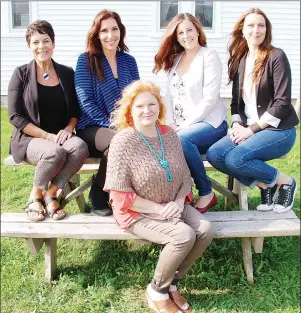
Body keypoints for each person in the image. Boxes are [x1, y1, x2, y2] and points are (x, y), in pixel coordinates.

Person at [104, 81, 214, 313]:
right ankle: (156, 289)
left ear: (160, 107)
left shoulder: (169, 134)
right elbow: (120, 194)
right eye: (140, 106)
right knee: (183, 235)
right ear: (130, 111)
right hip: (137, 211)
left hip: (173, 203)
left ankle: (172, 283)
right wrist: (157, 208)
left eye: (152, 104)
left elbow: (184, 174)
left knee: (205, 229)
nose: (147, 110)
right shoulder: (122, 141)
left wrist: (176, 202)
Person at [206, 8, 299, 213]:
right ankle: (264, 185)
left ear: (267, 30)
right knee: (215, 154)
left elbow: (282, 103)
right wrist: (238, 124)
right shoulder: (241, 60)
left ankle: (285, 182)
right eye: (251, 25)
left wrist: (252, 130)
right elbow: (236, 104)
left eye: (261, 25)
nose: (256, 30)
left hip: (279, 131)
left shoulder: (276, 56)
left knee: (236, 159)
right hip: (250, 128)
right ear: (242, 30)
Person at [7, 20, 89, 222]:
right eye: (36, 42)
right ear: (29, 46)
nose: (41, 46)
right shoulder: (21, 74)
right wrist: (47, 136)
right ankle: (35, 195)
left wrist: (70, 128)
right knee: (54, 152)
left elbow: (76, 110)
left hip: (60, 135)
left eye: (46, 41)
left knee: (79, 147)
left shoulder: (67, 73)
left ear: (53, 43)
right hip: (30, 138)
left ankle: (52, 192)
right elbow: (14, 115)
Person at [153, 13, 228, 214]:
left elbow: (209, 99)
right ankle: (175, 195)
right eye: (180, 32)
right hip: (180, 125)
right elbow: (167, 97)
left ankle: (206, 192)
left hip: (211, 123)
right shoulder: (176, 60)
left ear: (197, 31)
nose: (186, 35)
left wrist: (184, 126)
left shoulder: (209, 56)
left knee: (182, 140)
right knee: (161, 141)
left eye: (189, 30)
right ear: (175, 37)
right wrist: (169, 124)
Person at [75, 9, 140, 216]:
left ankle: (128, 195)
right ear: (96, 34)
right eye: (104, 31)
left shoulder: (129, 61)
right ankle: (99, 193)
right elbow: (85, 102)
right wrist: (114, 125)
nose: (110, 35)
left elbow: (137, 96)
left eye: (114, 29)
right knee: (119, 143)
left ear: (121, 32)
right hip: (92, 126)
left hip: (124, 125)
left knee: (134, 143)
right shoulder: (86, 60)